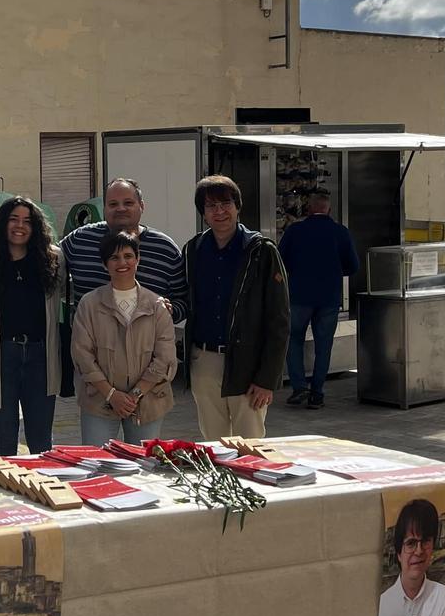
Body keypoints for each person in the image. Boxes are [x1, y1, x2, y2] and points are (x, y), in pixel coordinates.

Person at [183, 176, 289, 441]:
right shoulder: (194, 250)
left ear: (237, 206)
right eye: (211, 206)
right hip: (204, 361)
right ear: (203, 213)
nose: (219, 211)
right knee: (214, 445)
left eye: (225, 203)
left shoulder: (261, 251)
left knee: (249, 446)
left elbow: (279, 319)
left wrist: (267, 379)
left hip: (248, 363)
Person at [0, 197, 65, 456]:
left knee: (41, 441)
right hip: (2, 356)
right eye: (14, 219)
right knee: (5, 440)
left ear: (35, 227)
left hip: (40, 356)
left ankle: (43, 490)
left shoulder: (53, 259)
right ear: (2, 223)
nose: (20, 226)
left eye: (27, 221)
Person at [71, 230, 177, 444]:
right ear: (105, 264)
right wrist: (112, 395)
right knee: (97, 465)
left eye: (128, 256)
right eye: (114, 257)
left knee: (143, 470)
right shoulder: (89, 304)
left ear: (137, 259)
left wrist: (135, 395)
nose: (122, 262)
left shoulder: (157, 306)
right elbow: (82, 355)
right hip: (99, 402)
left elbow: (165, 357)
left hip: (147, 402)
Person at [60, 177, 188, 323]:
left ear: (142, 206)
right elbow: (49, 257)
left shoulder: (165, 249)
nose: (120, 209)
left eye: (128, 203)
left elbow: (184, 300)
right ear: (104, 209)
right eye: (113, 204)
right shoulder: (80, 240)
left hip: (145, 343)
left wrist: (168, 312)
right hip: (90, 342)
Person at [278, 189, 359, 409]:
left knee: (293, 339)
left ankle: (298, 387)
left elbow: (279, 261)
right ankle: (317, 393)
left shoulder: (295, 231)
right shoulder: (340, 232)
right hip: (329, 298)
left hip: (298, 296)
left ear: (309, 209)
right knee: (324, 345)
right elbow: (353, 266)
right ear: (328, 209)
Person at [375, 498, 445, 616]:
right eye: (411, 543)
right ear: (399, 553)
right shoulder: (383, 603)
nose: (419, 551)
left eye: (425, 541)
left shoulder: (441, 594)